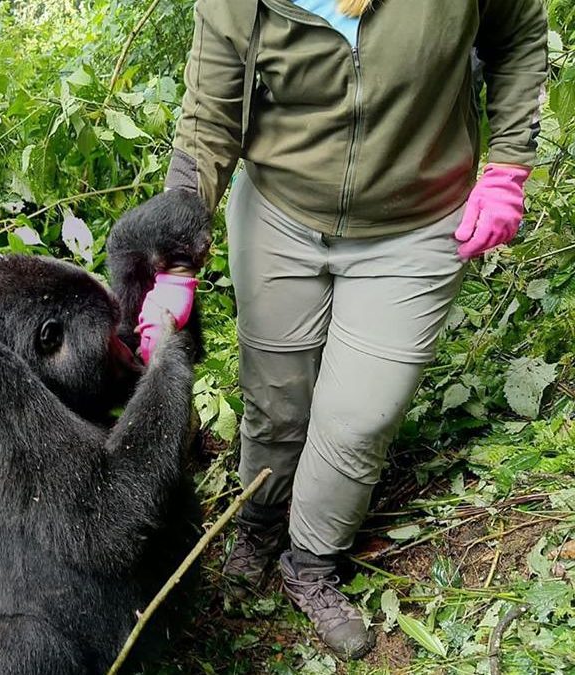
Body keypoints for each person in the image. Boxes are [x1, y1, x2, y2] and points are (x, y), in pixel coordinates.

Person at [130, 0, 548, 660]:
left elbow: (519, 33)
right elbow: (209, 117)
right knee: (276, 399)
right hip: (279, 213)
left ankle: (311, 562)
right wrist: (176, 257)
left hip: (417, 225)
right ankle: (260, 521)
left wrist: (508, 167)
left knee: (358, 420)